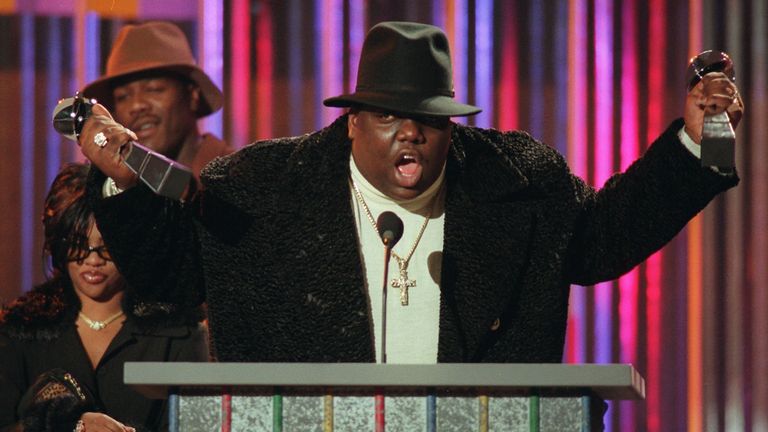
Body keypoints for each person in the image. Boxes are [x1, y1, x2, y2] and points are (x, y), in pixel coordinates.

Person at [76, 21, 742, 364]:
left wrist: (693, 146)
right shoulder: (261, 190)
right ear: (355, 121)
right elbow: (170, 282)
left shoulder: (518, 184)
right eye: (391, 117)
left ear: (451, 128)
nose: (411, 137)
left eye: (428, 120)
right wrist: (123, 185)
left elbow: (602, 239)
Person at [0, 164, 209, 432]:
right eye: (78, 245)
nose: (92, 260)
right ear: (58, 243)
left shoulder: (178, 332)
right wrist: (68, 425)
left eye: (106, 247)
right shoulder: (21, 330)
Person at [81, 20, 233, 189]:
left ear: (193, 95)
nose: (136, 105)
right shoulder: (110, 190)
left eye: (153, 89)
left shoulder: (239, 178)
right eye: (123, 97)